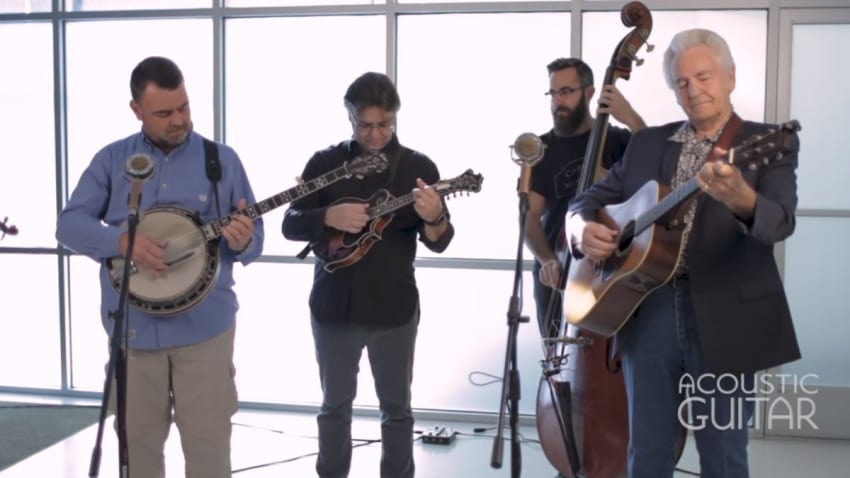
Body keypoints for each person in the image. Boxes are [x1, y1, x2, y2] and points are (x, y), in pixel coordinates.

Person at [566, 29, 801, 477]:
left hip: (727, 314)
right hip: (646, 306)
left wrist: (740, 198)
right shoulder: (647, 143)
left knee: (724, 454)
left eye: (704, 77)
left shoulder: (770, 142)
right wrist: (581, 230)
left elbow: (779, 222)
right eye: (682, 83)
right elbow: (584, 202)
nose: (694, 90)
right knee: (647, 451)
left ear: (730, 78)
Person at [56, 56, 264, 478]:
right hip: (132, 332)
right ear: (136, 110)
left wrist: (245, 240)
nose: (179, 120)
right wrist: (121, 241)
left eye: (184, 107)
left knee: (208, 450)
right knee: (139, 449)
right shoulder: (112, 161)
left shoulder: (221, 160)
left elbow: (254, 239)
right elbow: (68, 224)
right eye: (164, 113)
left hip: (205, 331)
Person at [282, 72, 454, 478]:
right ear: (349, 116)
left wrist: (436, 216)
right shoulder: (324, 164)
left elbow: (440, 240)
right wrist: (328, 215)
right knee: (334, 407)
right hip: (332, 306)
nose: (376, 134)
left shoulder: (417, 167)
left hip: (394, 308)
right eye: (366, 125)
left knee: (397, 410)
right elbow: (290, 224)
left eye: (385, 124)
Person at [525, 57, 645, 339]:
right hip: (557, 272)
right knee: (557, 362)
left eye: (566, 92)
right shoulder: (540, 150)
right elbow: (529, 216)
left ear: (589, 93)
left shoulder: (617, 141)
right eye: (552, 94)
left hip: (608, 271)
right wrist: (546, 259)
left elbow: (659, 162)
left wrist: (629, 116)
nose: (558, 102)